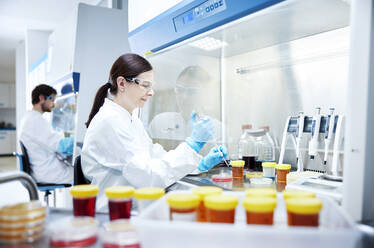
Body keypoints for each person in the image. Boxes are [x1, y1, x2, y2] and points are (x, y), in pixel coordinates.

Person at [81, 54, 228, 210]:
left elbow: (155, 155)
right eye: (145, 85)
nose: (151, 93)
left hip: (132, 208)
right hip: (114, 214)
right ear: (122, 83)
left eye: (151, 87)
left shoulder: (130, 120)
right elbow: (147, 176)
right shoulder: (110, 122)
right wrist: (193, 145)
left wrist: (199, 164)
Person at [19, 84, 74, 184]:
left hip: (41, 168)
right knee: (82, 175)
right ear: (41, 98)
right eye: (51, 99)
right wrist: (78, 138)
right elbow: (60, 146)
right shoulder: (35, 120)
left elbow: (49, 142)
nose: (53, 104)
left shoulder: (29, 117)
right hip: (47, 172)